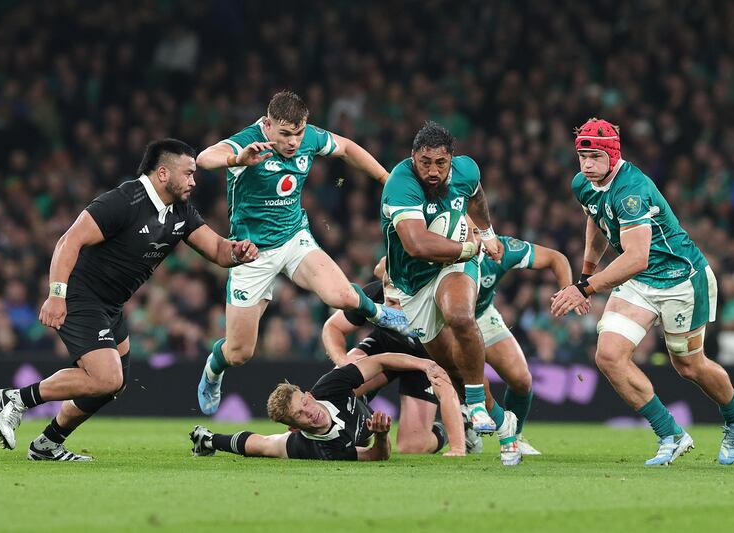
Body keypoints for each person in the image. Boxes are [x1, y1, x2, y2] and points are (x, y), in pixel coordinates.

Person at [0, 139, 259, 461]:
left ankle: (47, 444)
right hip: (80, 295)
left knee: (113, 385)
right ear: (162, 173)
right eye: (187, 174)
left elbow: (217, 250)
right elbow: (68, 241)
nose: (193, 181)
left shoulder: (180, 211)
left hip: (111, 306)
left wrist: (237, 252)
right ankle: (16, 399)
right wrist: (56, 295)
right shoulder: (125, 201)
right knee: (106, 378)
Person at [551, 118, 734, 466]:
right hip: (641, 284)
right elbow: (597, 219)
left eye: (595, 156)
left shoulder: (631, 192)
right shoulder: (584, 184)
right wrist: (587, 271)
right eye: (582, 156)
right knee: (609, 356)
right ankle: (671, 434)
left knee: (689, 367)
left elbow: (636, 258)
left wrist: (585, 287)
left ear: (613, 155)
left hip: (681, 279)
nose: (586, 164)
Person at [194, 90, 408, 416]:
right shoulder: (248, 141)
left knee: (342, 295)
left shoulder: (309, 138)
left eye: (298, 133)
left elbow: (347, 147)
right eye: (284, 134)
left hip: (295, 239)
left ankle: (386, 316)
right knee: (239, 352)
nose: (293, 142)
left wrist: (386, 179)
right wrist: (237, 159)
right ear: (267, 125)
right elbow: (205, 157)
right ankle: (213, 368)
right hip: (253, 253)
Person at [380, 121, 521, 466]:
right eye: (424, 162)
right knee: (451, 368)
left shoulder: (467, 170)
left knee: (460, 314)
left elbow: (476, 197)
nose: (432, 171)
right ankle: (505, 424)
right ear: (413, 157)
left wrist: (487, 233)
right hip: (414, 281)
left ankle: (473, 403)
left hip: (453, 266)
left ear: (451, 160)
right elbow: (414, 244)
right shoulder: (401, 185)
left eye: (440, 164)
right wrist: (468, 250)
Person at [321, 259, 479, 455]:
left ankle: (463, 425)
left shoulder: (433, 310)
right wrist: (343, 362)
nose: (389, 310)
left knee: (412, 446)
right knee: (341, 377)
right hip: (384, 348)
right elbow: (332, 327)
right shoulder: (375, 294)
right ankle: (328, 430)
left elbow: (446, 390)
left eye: (397, 303)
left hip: (425, 361)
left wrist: (458, 448)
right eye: (388, 301)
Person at [189, 353, 465, 461]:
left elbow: (379, 361)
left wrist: (425, 365)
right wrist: (381, 435)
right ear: (295, 427)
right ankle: (209, 440)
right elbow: (376, 457)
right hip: (319, 443)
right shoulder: (328, 449)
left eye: (305, 402)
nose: (310, 410)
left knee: (356, 359)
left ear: (308, 394)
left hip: (358, 403)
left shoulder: (327, 388)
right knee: (265, 446)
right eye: (300, 414)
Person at [475, 233, 574, 455]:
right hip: (443, 323)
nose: (472, 236)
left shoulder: (499, 249)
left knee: (521, 380)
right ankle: (467, 433)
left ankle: (515, 436)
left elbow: (556, 258)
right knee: (474, 385)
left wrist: (568, 291)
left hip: (481, 315)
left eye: (477, 231)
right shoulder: (440, 250)